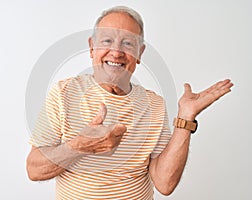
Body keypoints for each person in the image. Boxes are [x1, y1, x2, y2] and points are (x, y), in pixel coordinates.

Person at [26, 6, 233, 199]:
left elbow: (165, 184)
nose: (116, 52)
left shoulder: (154, 104)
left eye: (127, 43)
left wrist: (185, 119)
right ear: (92, 47)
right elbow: (34, 170)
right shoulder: (63, 93)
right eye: (107, 41)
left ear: (139, 53)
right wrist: (79, 146)